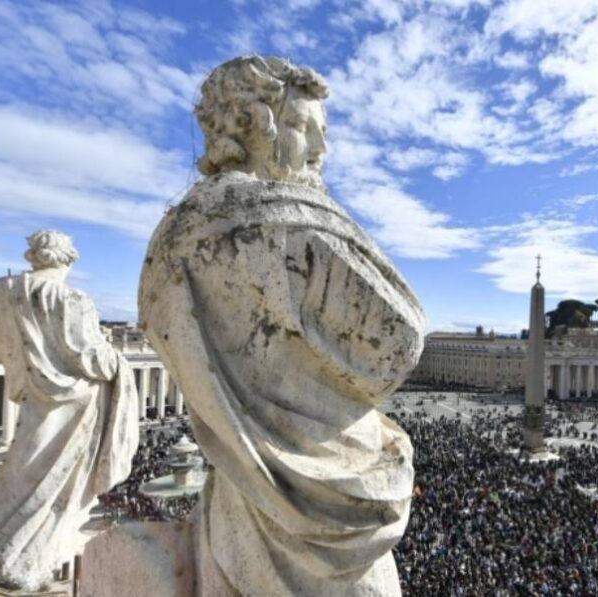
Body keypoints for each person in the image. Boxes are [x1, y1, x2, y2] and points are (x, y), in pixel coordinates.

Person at [140, 56, 424, 596]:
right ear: (254, 125)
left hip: (236, 512)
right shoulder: (281, 218)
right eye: (303, 129)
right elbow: (398, 343)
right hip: (330, 513)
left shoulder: (167, 243)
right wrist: (317, 207)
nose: (320, 152)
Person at [0, 230, 139, 590]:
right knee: (55, 483)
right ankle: (19, 555)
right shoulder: (73, 298)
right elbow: (93, 360)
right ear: (68, 259)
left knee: (21, 472)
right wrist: (118, 361)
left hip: (31, 393)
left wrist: (23, 361)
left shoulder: (0, 290)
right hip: (76, 404)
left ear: (33, 256)